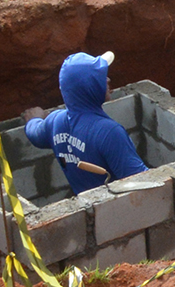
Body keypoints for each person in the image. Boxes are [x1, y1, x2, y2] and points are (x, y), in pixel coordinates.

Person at [23, 50, 147, 194]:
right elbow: (141, 184)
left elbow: (34, 135)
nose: (107, 80)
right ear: (90, 87)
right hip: (118, 210)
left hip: (88, 207)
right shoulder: (109, 133)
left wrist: (33, 119)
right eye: (100, 77)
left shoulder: (55, 122)